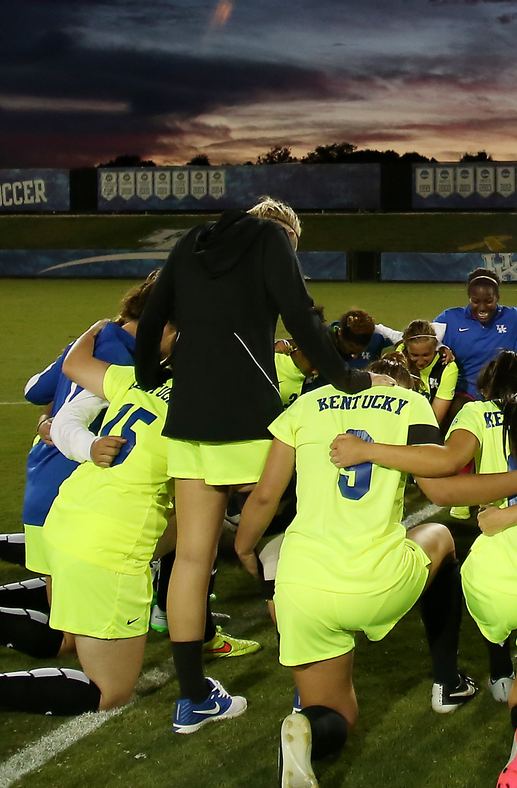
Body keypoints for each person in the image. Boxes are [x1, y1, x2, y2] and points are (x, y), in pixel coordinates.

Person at [131, 196, 366, 736]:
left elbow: (152, 317)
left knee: (191, 558)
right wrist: (346, 378)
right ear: (288, 232)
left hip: (189, 414)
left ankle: (193, 699)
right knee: (292, 538)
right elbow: (301, 315)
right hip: (251, 418)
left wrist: (147, 374)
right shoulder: (272, 239)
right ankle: (310, 696)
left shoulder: (195, 239)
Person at [335, 351, 517, 788]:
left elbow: (441, 484)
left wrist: (365, 451)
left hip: (492, 577)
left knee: (488, 607)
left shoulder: (474, 413)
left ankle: (498, 665)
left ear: (485, 389)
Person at [0, 320, 180, 726]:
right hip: (106, 539)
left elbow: (62, 380)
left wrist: (94, 329)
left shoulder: (136, 380)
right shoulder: (192, 413)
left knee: (63, 634)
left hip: (68, 517)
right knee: (106, 687)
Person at [231, 366, 467, 788]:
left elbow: (264, 496)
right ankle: (448, 680)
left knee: (334, 710)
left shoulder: (308, 402)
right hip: (374, 578)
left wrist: (243, 547)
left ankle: (304, 728)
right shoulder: (411, 402)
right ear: (396, 382)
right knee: (438, 533)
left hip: (301, 581)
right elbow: (441, 465)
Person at [433, 269, 517, 394]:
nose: (482, 308)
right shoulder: (449, 318)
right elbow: (422, 336)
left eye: (488, 301)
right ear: (470, 298)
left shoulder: (514, 317)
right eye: (475, 301)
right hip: (462, 393)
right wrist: (440, 347)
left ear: (497, 297)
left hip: (501, 394)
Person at [391, 320, 463, 421]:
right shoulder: (400, 355)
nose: (420, 362)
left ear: (436, 347)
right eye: (414, 355)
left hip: (425, 425)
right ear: (407, 349)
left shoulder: (447, 368)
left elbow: (434, 419)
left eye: (426, 355)